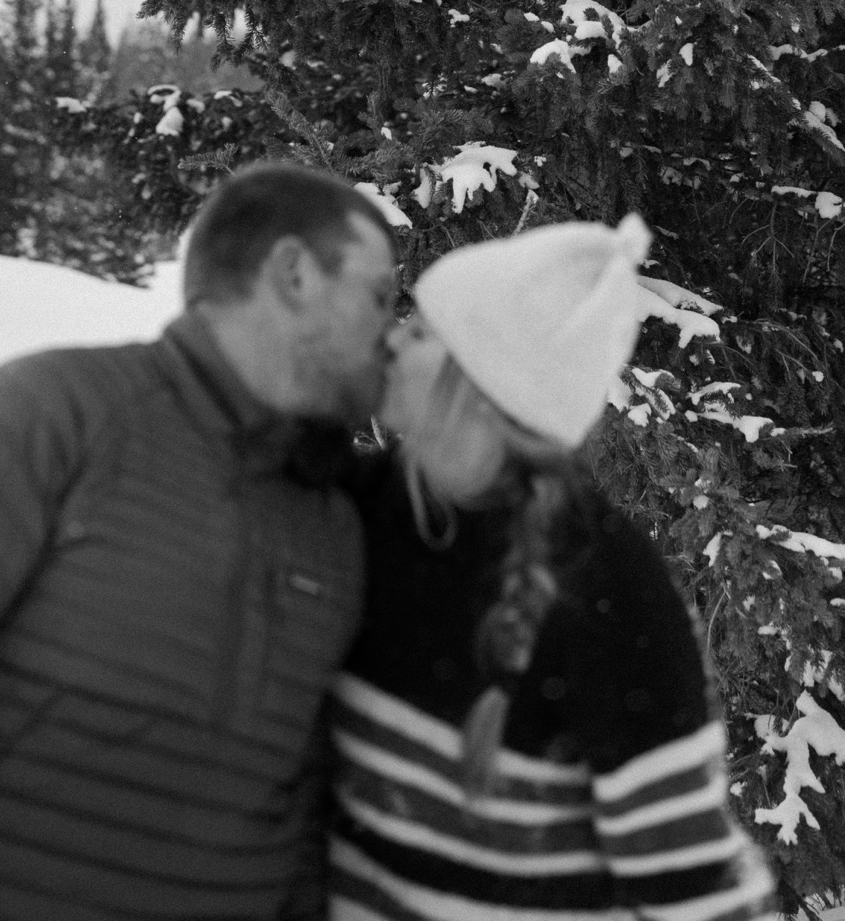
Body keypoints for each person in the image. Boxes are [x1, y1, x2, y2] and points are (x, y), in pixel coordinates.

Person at [0, 159, 398, 921]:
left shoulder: (331, 522)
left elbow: (301, 803)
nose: (390, 334)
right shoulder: (47, 419)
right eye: (379, 297)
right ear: (294, 274)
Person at [330, 212, 778, 921]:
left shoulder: (609, 589)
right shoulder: (365, 506)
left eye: (418, 333)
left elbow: (690, 884)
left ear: (479, 389)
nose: (389, 339)